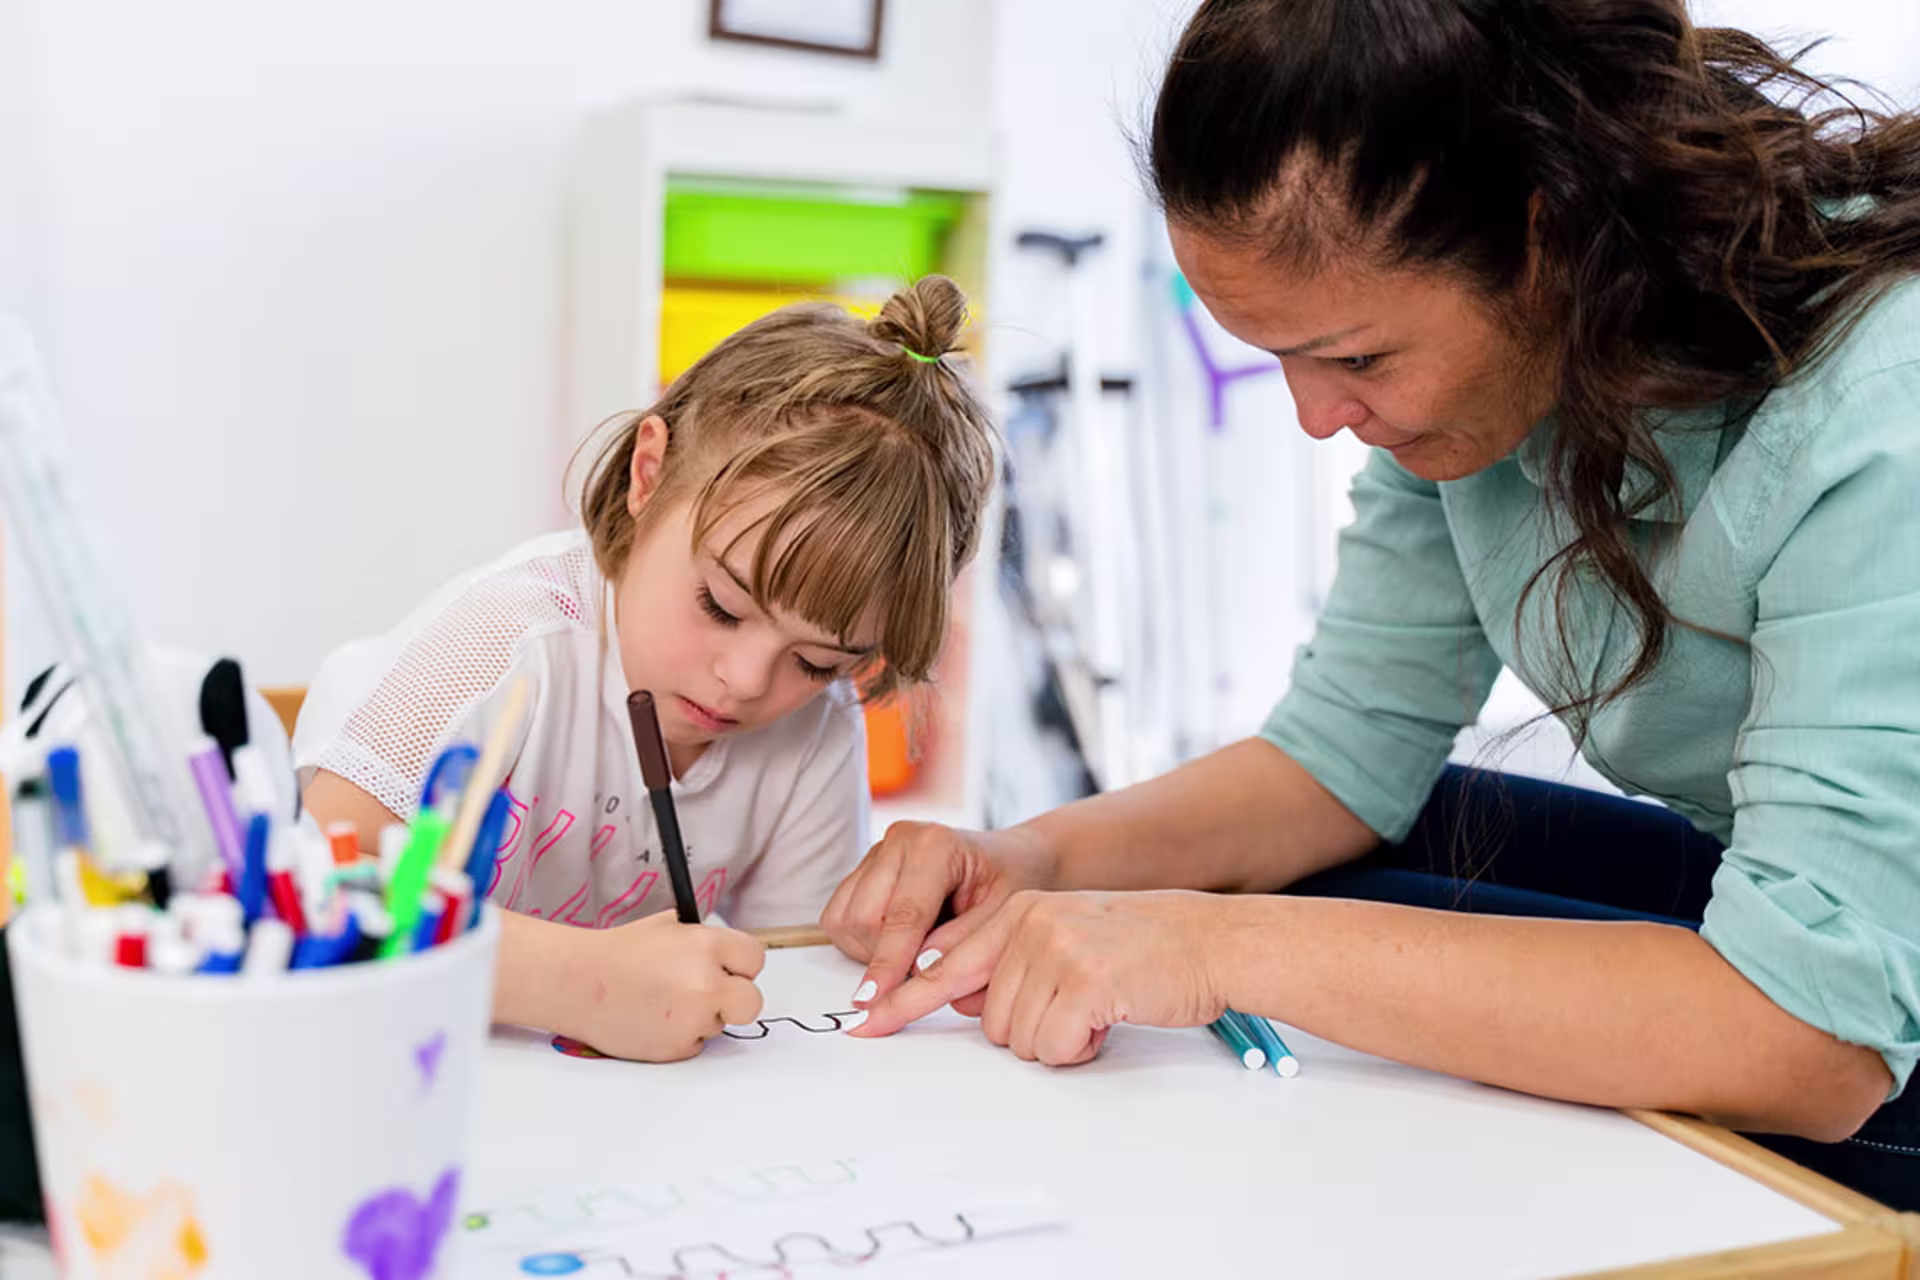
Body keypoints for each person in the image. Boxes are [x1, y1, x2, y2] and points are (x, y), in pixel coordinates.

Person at [827, 0, 1920, 1207]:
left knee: (1271, 935)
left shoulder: (1885, 399)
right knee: (1362, 851)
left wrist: (1200, 943)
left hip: (1864, 1025)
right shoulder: (1507, 370)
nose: (1315, 416)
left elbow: (1817, 1039)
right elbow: (1340, 758)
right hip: (1783, 892)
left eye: (1355, 359)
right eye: (1279, 358)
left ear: (1543, 233)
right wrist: (1031, 857)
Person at [297, 276, 995, 1062]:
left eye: (816, 660)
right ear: (648, 475)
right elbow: (314, 895)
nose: (746, 680)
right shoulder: (500, 646)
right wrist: (573, 983)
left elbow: (801, 980)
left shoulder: (812, 730)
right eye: (721, 606)